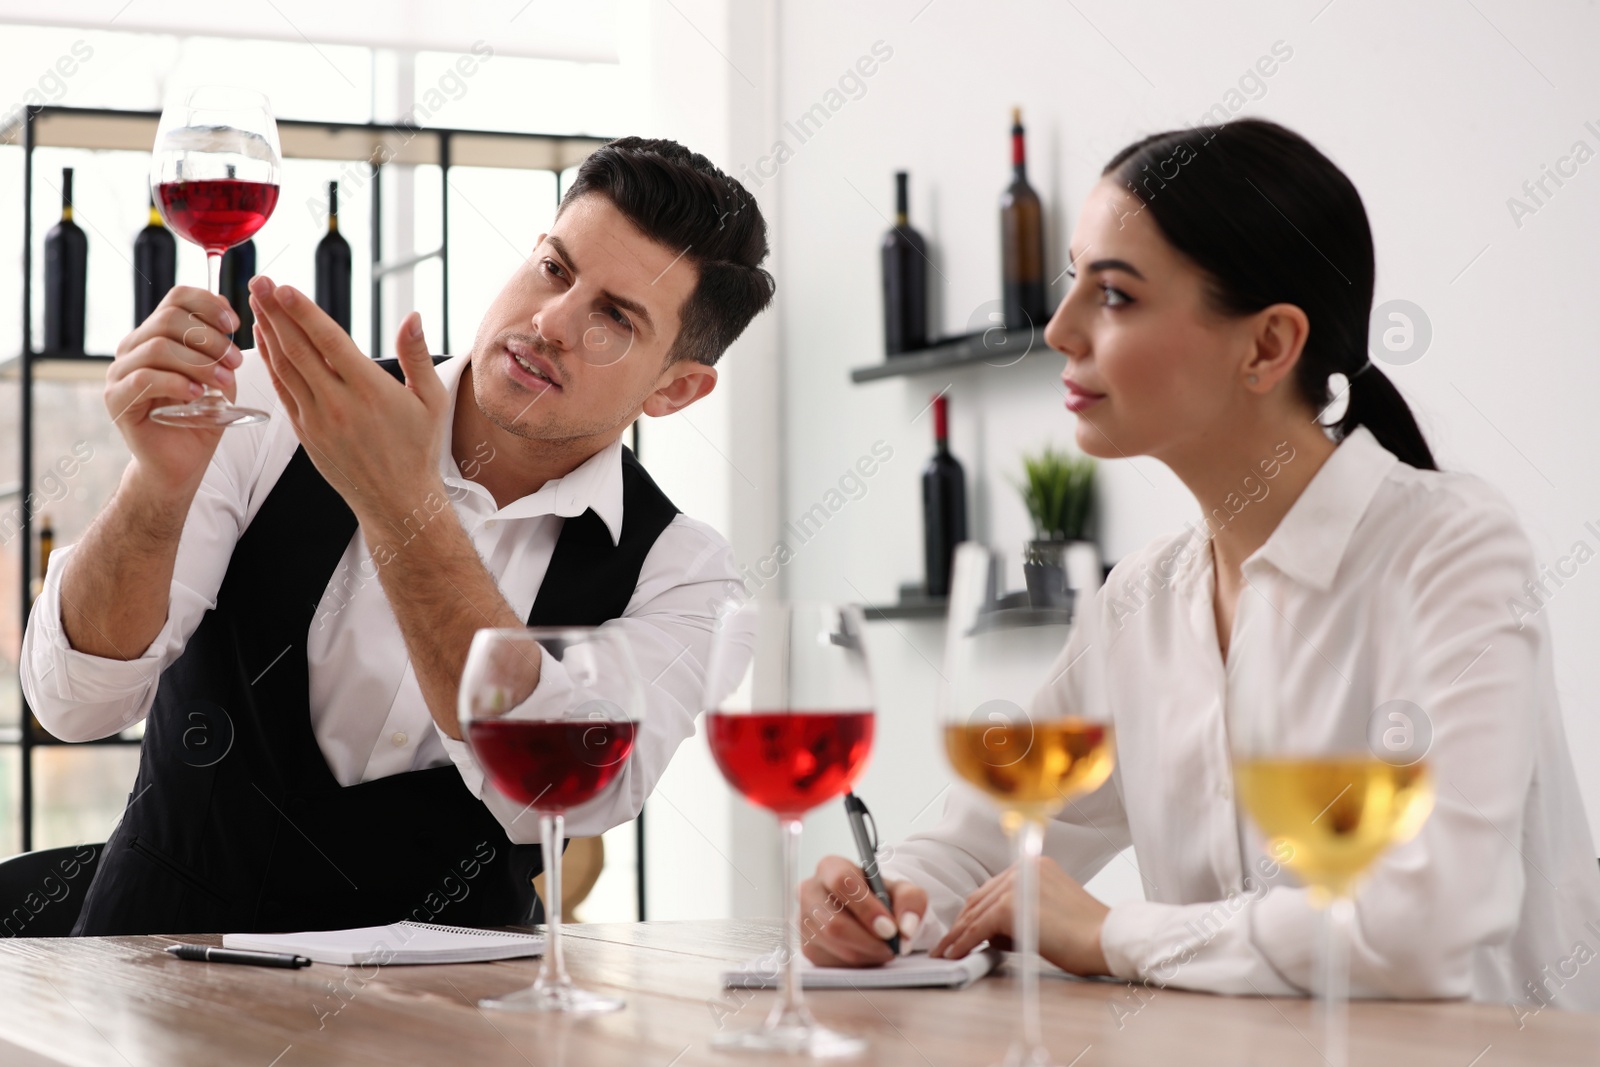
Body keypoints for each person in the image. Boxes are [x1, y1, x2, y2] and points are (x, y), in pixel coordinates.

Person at [801, 118, 1600, 1011]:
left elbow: (1425, 929)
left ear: (1266, 346)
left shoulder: (1451, 549)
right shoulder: (1138, 601)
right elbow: (983, 845)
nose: (1060, 329)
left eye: (1114, 296)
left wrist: (1110, 932)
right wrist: (882, 901)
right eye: (1073, 282)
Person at [21, 136, 773, 936]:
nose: (553, 321)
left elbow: (567, 792)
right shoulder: (271, 405)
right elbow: (74, 704)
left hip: (451, 1033)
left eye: (614, 319)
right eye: (554, 269)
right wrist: (156, 486)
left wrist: (401, 503)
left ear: (675, 388)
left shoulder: (685, 575)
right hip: (155, 993)